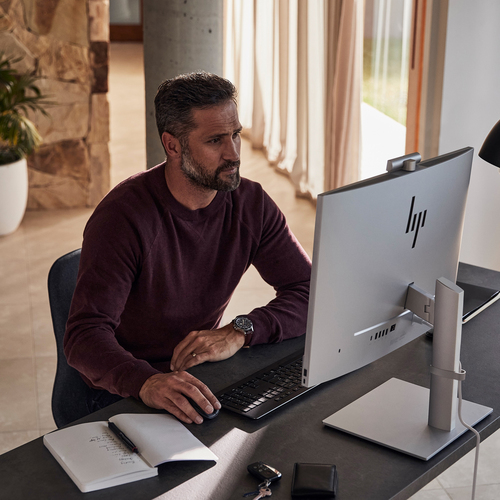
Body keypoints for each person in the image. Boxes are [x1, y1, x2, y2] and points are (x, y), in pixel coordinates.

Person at [64, 72, 311, 425]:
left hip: (198, 374)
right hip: (123, 388)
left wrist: (241, 330)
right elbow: (84, 336)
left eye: (236, 134)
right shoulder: (122, 218)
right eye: (215, 140)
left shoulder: (251, 204)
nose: (233, 154)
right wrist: (146, 381)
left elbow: (309, 290)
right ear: (173, 145)